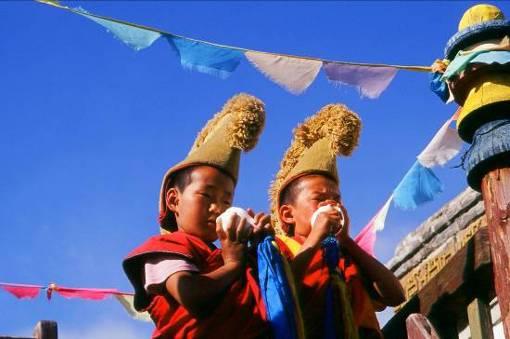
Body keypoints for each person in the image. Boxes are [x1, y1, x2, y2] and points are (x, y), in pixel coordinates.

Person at [123, 93, 272, 338]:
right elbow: (191, 296)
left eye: (227, 200)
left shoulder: (224, 254)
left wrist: (258, 252)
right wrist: (234, 263)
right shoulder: (164, 249)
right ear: (174, 200)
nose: (218, 208)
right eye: (207, 196)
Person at [269, 104, 405, 338]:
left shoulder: (346, 256)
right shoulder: (279, 251)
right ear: (287, 215)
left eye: (336, 199)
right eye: (319, 199)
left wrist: (348, 243)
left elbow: (395, 296)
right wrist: (316, 236)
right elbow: (283, 293)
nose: (329, 204)